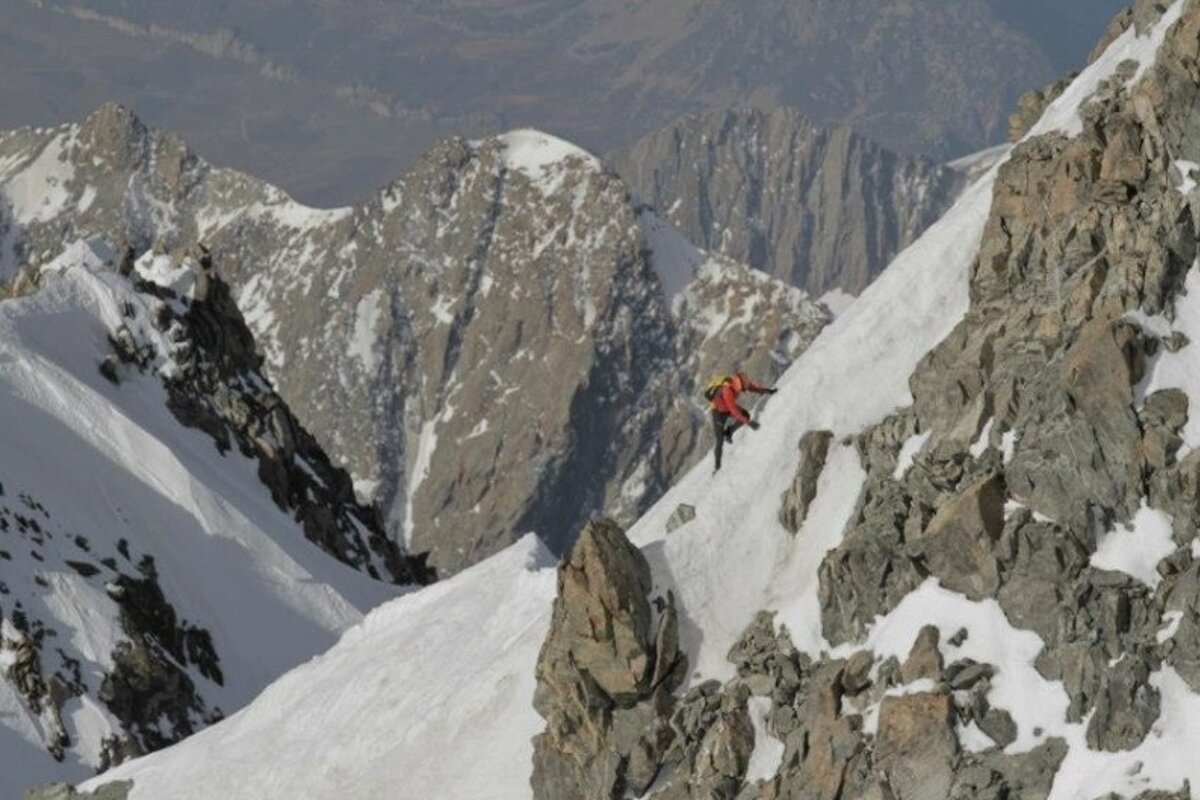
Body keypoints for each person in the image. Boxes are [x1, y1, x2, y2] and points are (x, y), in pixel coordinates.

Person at [705, 372, 776, 471]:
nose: (745, 388)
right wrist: (749, 423)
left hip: (727, 407)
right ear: (739, 384)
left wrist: (769, 391)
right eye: (743, 386)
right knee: (719, 440)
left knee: (745, 415)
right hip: (718, 412)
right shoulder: (727, 390)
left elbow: (754, 389)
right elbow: (733, 410)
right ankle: (717, 467)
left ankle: (729, 432)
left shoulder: (738, 384)